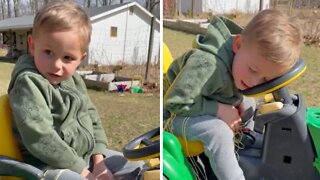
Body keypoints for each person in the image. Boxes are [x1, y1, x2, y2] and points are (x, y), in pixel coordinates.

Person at [8, 1, 142, 180]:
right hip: (44, 166)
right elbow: (41, 138)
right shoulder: (28, 84)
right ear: (32, 45)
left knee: (137, 167)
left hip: (83, 158)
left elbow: (91, 116)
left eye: (67, 58)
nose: (56, 65)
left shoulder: (74, 80)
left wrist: (99, 161)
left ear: (81, 59)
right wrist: (85, 173)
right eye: (48, 52)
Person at [163, 10, 303, 180]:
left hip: (203, 101)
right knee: (218, 133)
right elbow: (174, 102)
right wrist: (219, 110)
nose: (254, 81)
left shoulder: (244, 60)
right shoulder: (206, 65)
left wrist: (236, 103)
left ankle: (242, 143)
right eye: (252, 70)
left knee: (250, 103)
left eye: (265, 78)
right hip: (174, 115)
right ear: (237, 44)